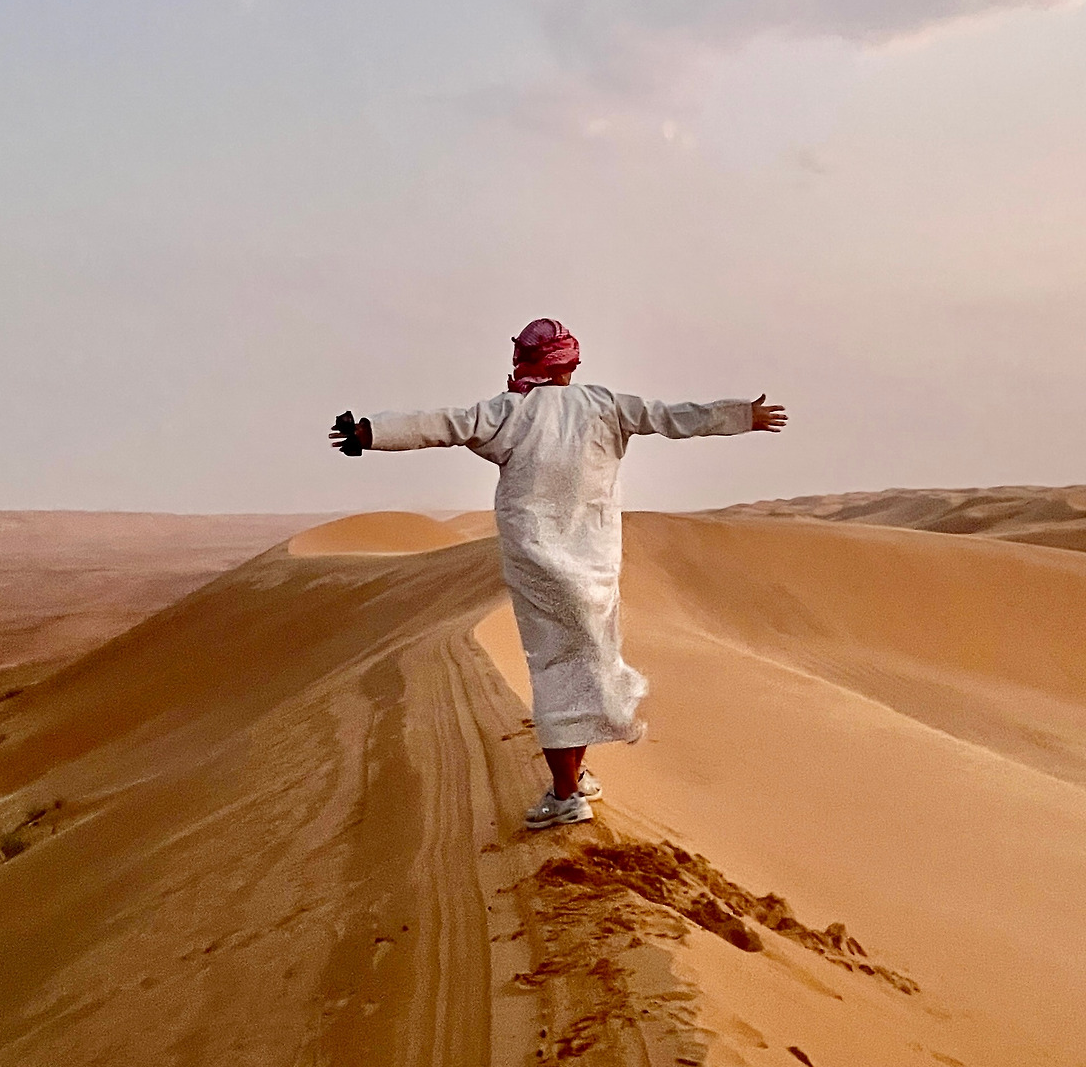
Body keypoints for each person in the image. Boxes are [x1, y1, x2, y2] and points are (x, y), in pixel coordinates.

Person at [329, 319, 787, 830]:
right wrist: (741, 415)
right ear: (570, 363)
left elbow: (442, 424)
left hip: (538, 563)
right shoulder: (604, 404)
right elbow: (671, 416)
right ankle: (575, 777)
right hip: (596, 563)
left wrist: (369, 432)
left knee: (555, 671)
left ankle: (566, 794)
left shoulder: (509, 411)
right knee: (589, 664)